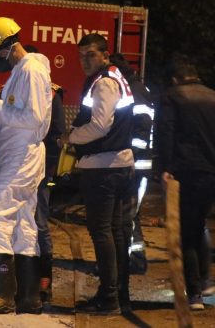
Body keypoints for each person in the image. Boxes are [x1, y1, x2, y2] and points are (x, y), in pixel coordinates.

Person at [0, 18, 52, 314]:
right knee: (23, 225)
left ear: (8, 47)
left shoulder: (30, 70)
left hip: (22, 158)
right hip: (20, 156)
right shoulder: (21, 73)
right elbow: (16, 115)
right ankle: (29, 298)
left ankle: (2, 295)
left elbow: (32, 119)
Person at [63, 33, 134, 315]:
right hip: (118, 165)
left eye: (90, 54)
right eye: (81, 55)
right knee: (114, 232)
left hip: (104, 168)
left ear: (105, 55)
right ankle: (114, 295)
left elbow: (100, 126)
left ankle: (109, 298)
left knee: (102, 232)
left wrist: (71, 137)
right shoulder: (116, 77)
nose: (84, 61)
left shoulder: (105, 82)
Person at [156, 60, 215, 310]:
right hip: (213, 174)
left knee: (186, 234)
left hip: (185, 172)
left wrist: (165, 168)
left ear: (174, 79)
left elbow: (165, 133)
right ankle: (205, 281)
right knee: (198, 225)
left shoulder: (172, 96)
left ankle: (194, 294)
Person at [23, 44, 66, 305]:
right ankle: (16, 281)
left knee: (38, 224)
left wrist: (48, 169)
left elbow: (58, 132)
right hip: (17, 169)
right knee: (16, 225)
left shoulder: (51, 93)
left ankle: (43, 283)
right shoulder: (15, 88)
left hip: (39, 170)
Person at [109, 53, 154, 276]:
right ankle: (134, 259)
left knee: (126, 215)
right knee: (129, 215)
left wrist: (130, 153)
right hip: (134, 162)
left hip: (137, 164)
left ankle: (129, 262)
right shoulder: (134, 88)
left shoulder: (135, 91)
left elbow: (143, 126)